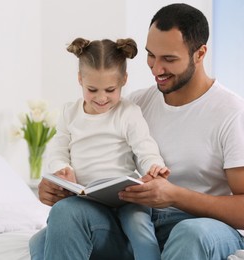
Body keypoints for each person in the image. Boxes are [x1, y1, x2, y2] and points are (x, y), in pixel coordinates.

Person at [30, 3, 244, 260]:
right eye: (151, 55)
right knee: (58, 223)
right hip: (139, 221)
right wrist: (56, 186)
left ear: (200, 54)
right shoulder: (136, 104)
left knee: (190, 233)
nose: (156, 69)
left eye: (169, 59)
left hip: (201, 226)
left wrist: (175, 196)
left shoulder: (235, 115)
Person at [41, 37, 169, 260]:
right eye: (92, 89)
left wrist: (154, 167)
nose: (101, 98)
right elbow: (58, 150)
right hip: (85, 196)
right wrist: (62, 168)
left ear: (124, 80)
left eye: (110, 89)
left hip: (126, 195)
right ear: (80, 79)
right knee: (40, 241)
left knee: (139, 226)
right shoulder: (69, 113)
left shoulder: (127, 112)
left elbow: (145, 146)